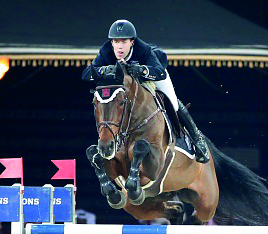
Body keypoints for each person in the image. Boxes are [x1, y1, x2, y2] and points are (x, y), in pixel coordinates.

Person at [81, 19, 210, 163]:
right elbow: (86, 74)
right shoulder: (105, 51)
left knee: (172, 102)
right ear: (111, 43)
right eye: (116, 42)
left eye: (124, 42)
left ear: (132, 42)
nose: (119, 47)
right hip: (125, 85)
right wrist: (105, 69)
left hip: (151, 76)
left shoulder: (144, 50)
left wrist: (142, 69)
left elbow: (160, 72)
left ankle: (198, 140)